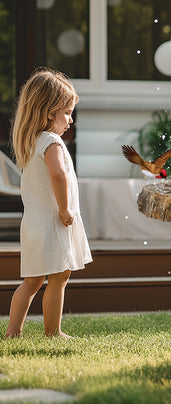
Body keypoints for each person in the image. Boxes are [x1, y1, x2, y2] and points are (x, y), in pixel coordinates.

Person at [5, 68, 92, 338]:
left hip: (33, 223)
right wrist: (65, 209)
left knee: (32, 281)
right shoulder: (52, 142)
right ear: (48, 113)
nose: (70, 119)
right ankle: (53, 332)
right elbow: (58, 174)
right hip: (53, 222)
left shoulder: (33, 141)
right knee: (59, 277)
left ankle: (12, 331)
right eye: (66, 112)